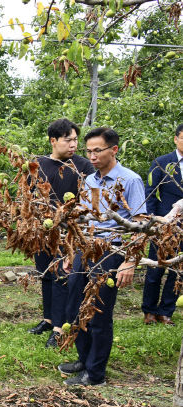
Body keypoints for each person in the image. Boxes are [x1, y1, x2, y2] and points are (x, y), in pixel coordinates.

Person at [59, 127, 147, 386]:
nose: (92, 156)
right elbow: (85, 220)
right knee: (74, 306)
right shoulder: (90, 180)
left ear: (114, 150)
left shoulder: (130, 181)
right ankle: (84, 359)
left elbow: (140, 225)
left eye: (98, 150)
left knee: (98, 312)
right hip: (86, 248)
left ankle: (95, 374)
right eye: (89, 151)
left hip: (112, 250)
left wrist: (130, 261)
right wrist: (71, 250)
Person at [28, 119, 94, 348]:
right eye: (68, 140)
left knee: (61, 276)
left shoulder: (83, 166)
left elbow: (90, 200)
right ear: (53, 141)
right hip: (43, 230)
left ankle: (59, 327)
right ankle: (48, 319)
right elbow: (28, 195)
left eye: (75, 140)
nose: (73, 144)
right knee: (45, 273)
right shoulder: (38, 164)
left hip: (69, 232)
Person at [141, 123, 183, 326]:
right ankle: (149, 310)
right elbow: (150, 193)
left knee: (179, 271)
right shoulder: (162, 163)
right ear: (175, 139)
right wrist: (152, 222)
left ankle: (166, 311)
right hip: (163, 225)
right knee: (155, 268)